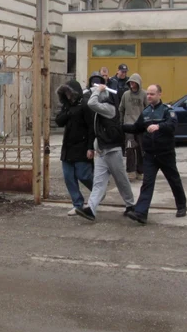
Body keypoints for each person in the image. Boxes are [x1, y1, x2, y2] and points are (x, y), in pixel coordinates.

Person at [74, 72, 135, 222]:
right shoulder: (99, 111)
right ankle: (91, 209)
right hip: (102, 150)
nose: (97, 94)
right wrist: (95, 147)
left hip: (112, 150)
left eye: (101, 93)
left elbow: (91, 103)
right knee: (99, 182)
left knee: (121, 179)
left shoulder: (109, 108)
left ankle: (131, 205)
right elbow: (96, 130)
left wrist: (98, 90)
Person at [123, 84, 187, 224]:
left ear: (160, 94)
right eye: (148, 94)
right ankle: (141, 213)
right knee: (147, 183)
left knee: (173, 180)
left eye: (152, 94)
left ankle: (181, 206)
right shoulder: (145, 112)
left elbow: (172, 126)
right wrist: (119, 127)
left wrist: (159, 126)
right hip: (150, 155)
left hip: (165, 153)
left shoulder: (167, 110)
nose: (149, 96)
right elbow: (136, 128)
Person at [55, 80, 95, 216]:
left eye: (69, 92)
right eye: (65, 92)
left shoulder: (85, 105)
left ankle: (98, 191)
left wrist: (91, 147)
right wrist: (68, 112)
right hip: (68, 147)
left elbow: (91, 128)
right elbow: (59, 121)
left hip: (82, 146)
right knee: (68, 177)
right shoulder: (66, 107)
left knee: (83, 175)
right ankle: (77, 204)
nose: (67, 95)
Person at [119, 73, 148, 180]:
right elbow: (121, 109)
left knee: (141, 149)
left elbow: (148, 109)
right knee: (130, 149)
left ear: (138, 83)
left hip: (140, 126)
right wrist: (121, 123)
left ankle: (140, 171)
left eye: (134, 82)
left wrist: (147, 123)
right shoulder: (126, 95)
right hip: (128, 125)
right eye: (130, 82)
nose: (132, 84)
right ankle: (131, 171)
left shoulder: (144, 94)